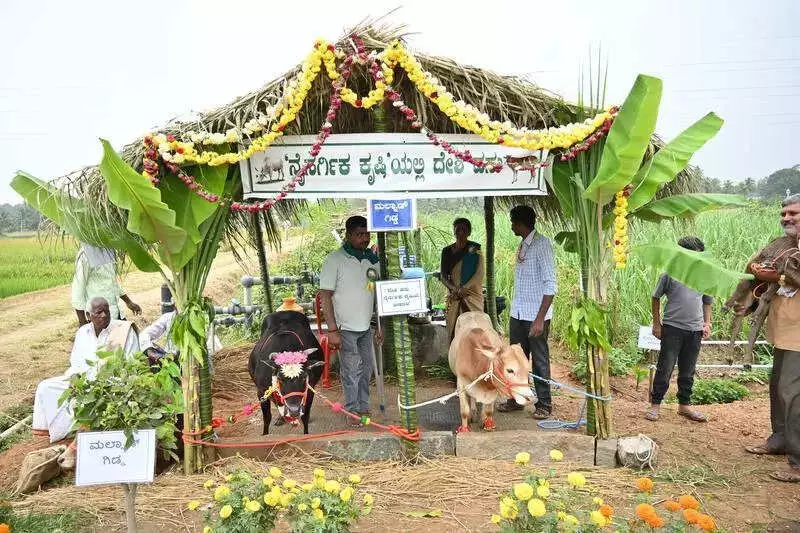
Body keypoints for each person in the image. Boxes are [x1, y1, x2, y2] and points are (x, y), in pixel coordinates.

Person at [744, 194, 800, 483]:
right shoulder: (784, 247)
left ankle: (798, 459)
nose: (786, 218)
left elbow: (789, 276)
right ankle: (779, 439)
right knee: (778, 388)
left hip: (799, 338)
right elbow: (760, 269)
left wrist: (776, 276)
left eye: (793, 213)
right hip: (783, 333)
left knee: (793, 394)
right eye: (784, 213)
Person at [32, 297, 139, 443]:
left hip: (112, 384)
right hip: (83, 381)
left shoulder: (124, 330)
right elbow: (75, 362)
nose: (104, 315)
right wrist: (74, 377)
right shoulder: (83, 332)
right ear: (89, 316)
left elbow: (132, 363)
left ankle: (86, 429)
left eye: (106, 311)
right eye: (99, 312)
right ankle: (63, 432)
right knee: (46, 387)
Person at [319, 216, 383, 423]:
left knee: (366, 368)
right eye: (359, 234)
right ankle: (351, 410)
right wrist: (332, 329)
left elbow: (377, 294)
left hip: (366, 325)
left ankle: (363, 406)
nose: (364, 238)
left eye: (367, 234)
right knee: (350, 370)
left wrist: (378, 325)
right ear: (348, 235)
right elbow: (325, 296)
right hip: (344, 327)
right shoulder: (334, 259)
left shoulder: (372, 260)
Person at [498, 205, 556, 419]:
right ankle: (517, 398)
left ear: (520, 223)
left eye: (513, 222)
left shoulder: (542, 245)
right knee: (516, 360)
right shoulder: (523, 245)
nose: (512, 226)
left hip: (535, 316)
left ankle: (544, 404)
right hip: (519, 313)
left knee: (539, 360)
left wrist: (539, 319)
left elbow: (551, 286)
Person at [646, 236, 712, 423]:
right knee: (664, 368)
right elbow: (655, 297)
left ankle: (684, 406)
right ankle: (655, 405)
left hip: (695, 330)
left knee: (688, 370)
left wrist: (707, 323)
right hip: (673, 328)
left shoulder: (704, 274)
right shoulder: (670, 273)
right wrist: (657, 324)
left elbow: (707, 301)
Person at [71, 243, 141, 325]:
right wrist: (82, 322)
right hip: (99, 318)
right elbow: (78, 288)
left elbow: (112, 282)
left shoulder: (110, 250)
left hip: (116, 313)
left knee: (126, 335)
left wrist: (129, 302)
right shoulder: (85, 254)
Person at [440, 218, 485, 341]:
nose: (460, 233)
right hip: (453, 295)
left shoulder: (474, 250)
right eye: (457, 229)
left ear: (469, 232)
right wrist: (455, 289)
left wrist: (465, 288)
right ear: (453, 231)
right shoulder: (446, 251)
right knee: (455, 331)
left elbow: (479, 273)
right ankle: (457, 357)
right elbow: (443, 275)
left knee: (476, 329)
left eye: (464, 230)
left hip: (471, 295)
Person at [139, 310, 222, 366]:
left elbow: (210, 348)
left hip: (195, 366)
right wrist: (150, 350)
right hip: (170, 363)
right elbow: (144, 335)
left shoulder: (198, 320)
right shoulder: (169, 318)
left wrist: (176, 354)